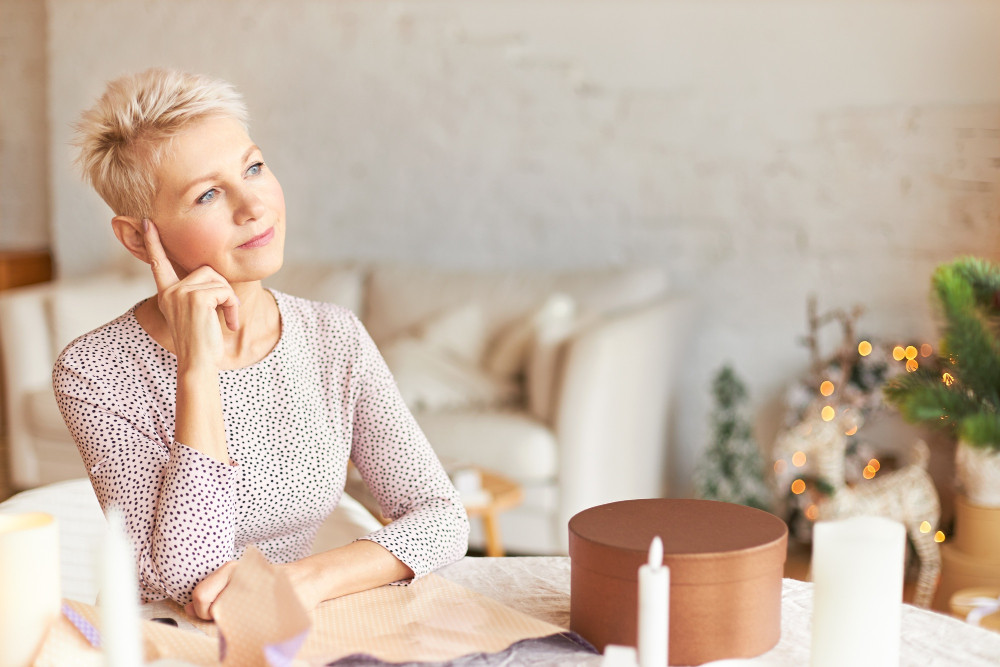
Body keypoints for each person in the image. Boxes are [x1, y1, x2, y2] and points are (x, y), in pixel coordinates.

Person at [53, 68, 469, 619]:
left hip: (291, 623)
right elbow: (189, 580)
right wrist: (197, 370)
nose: (253, 207)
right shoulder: (94, 371)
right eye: (207, 195)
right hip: (165, 644)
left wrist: (304, 579)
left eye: (253, 167)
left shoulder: (333, 336)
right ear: (137, 237)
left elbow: (442, 516)